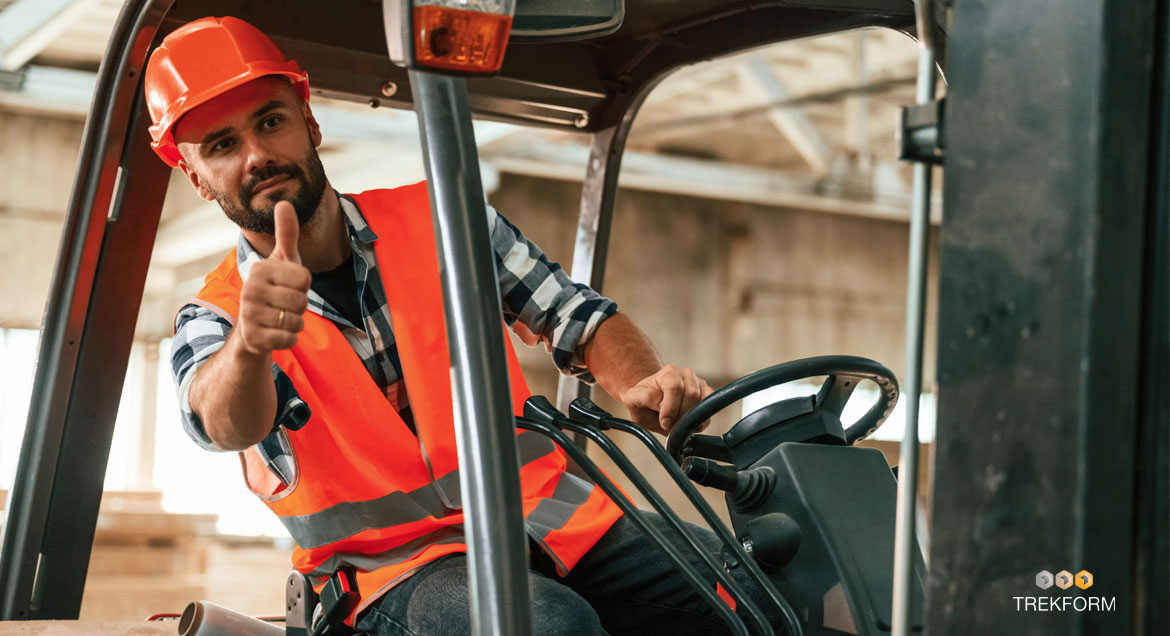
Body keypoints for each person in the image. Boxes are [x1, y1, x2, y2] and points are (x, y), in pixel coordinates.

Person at [149, 16, 774, 636]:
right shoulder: (219, 318)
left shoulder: (447, 222)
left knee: (747, 592)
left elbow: (575, 316)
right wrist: (252, 346)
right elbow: (222, 421)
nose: (258, 155)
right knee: (549, 628)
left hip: (549, 515)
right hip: (391, 570)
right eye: (223, 145)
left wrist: (639, 380)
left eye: (270, 121)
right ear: (196, 177)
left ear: (309, 122)